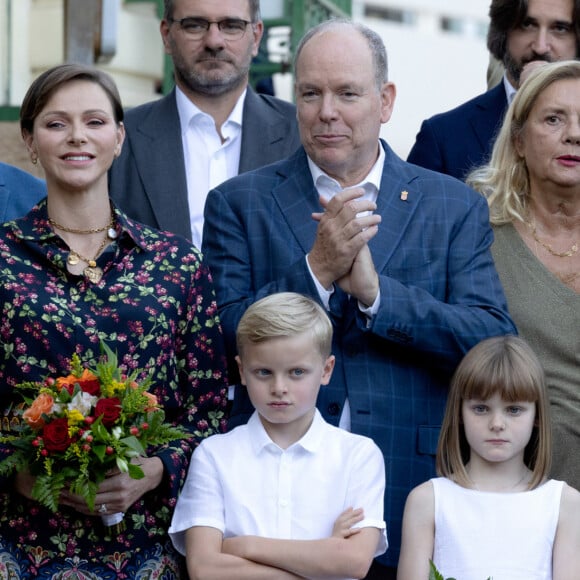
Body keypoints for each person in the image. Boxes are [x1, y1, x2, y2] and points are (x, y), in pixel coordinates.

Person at [201, 18, 517, 576]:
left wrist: (378, 297)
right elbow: (219, 336)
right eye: (310, 93)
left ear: (385, 100)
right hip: (269, 496)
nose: (327, 111)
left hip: (409, 478)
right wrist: (315, 271)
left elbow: (491, 343)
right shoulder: (237, 203)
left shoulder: (451, 205)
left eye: (347, 93)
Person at [0, 63, 228, 578]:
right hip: (21, 546)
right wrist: (19, 475)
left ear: (119, 137)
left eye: (95, 121)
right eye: (56, 123)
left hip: (147, 550)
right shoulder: (3, 256)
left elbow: (209, 411)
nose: (77, 136)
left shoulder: (176, 264)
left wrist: (153, 470)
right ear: (30, 140)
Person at [169, 292, 387, 579]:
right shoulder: (214, 455)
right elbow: (205, 568)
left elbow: (354, 562)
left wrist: (243, 546)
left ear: (326, 370)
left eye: (297, 372)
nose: (279, 387)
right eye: (263, 372)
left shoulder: (358, 454)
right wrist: (322, 556)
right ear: (242, 371)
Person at [466, 60, 580, 492]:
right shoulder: (477, 235)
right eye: (554, 119)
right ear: (518, 139)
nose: (574, 134)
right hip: (512, 496)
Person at [108, 0, 301, 247]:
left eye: (231, 26)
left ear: (256, 36)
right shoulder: (119, 138)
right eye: (195, 26)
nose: (214, 41)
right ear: (167, 36)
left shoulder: (301, 136)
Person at [397, 335, 580, 580]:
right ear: (459, 411)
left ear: (537, 415)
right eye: (481, 408)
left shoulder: (565, 504)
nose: (496, 424)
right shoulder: (427, 501)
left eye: (514, 409)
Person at [407, 0, 580, 181]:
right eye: (527, 25)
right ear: (503, 31)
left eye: (560, 28)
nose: (540, 46)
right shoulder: (443, 137)